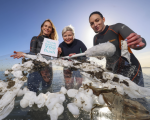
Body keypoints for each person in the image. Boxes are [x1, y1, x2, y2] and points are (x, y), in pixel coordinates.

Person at [89, 11, 146, 87]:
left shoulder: (116, 28)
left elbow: (140, 41)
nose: (95, 24)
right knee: (114, 98)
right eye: (92, 23)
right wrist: (97, 56)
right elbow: (100, 57)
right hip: (112, 72)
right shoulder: (95, 39)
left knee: (136, 97)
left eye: (97, 20)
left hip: (131, 69)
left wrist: (138, 43)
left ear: (103, 19)